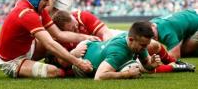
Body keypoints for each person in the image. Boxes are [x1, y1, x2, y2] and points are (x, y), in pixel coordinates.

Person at [0, 0, 100, 78]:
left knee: (52, 38)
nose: (49, 3)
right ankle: (69, 63)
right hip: (12, 60)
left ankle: (61, 60)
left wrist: (87, 37)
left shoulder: (37, 8)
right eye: (46, 0)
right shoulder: (27, 14)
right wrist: (78, 62)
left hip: (28, 49)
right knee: (55, 72)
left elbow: (59, 34)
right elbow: (49, 44)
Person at [47, 10, 195, 74]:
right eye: (73, 29)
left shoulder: (81, 16)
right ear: (62, 32)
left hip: (109, 41)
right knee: (134, 67)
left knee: (153, 45)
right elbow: (62, 62)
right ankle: (174, 68)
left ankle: (172, 62)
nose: (77, 28)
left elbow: (105, 32)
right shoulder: (56, 38)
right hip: (94, 55)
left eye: (76, 24)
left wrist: (113, 48)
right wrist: (73, 53)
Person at [72, 21, 161, 80]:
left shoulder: (137, 42)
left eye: (146, 45)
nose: (145, 48)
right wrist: (127, 74)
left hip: (95, 47)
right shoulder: (119, 52)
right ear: (130, 39)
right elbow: (99, 77)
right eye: (143, 45)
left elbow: (147, 65)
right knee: (131, 66)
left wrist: (152, 65)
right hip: (83, 53)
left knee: (134, 65)